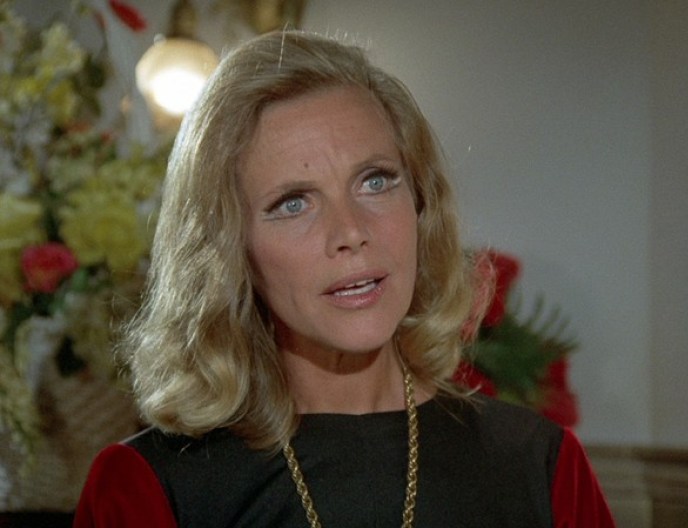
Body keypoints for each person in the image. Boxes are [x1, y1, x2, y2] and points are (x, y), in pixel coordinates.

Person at [73, 30, 615, 528]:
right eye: (293, 203)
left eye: (375, 181)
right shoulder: (150, 489)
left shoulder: (540, 467)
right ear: (228, 250)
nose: (351, 232)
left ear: (421, 204)